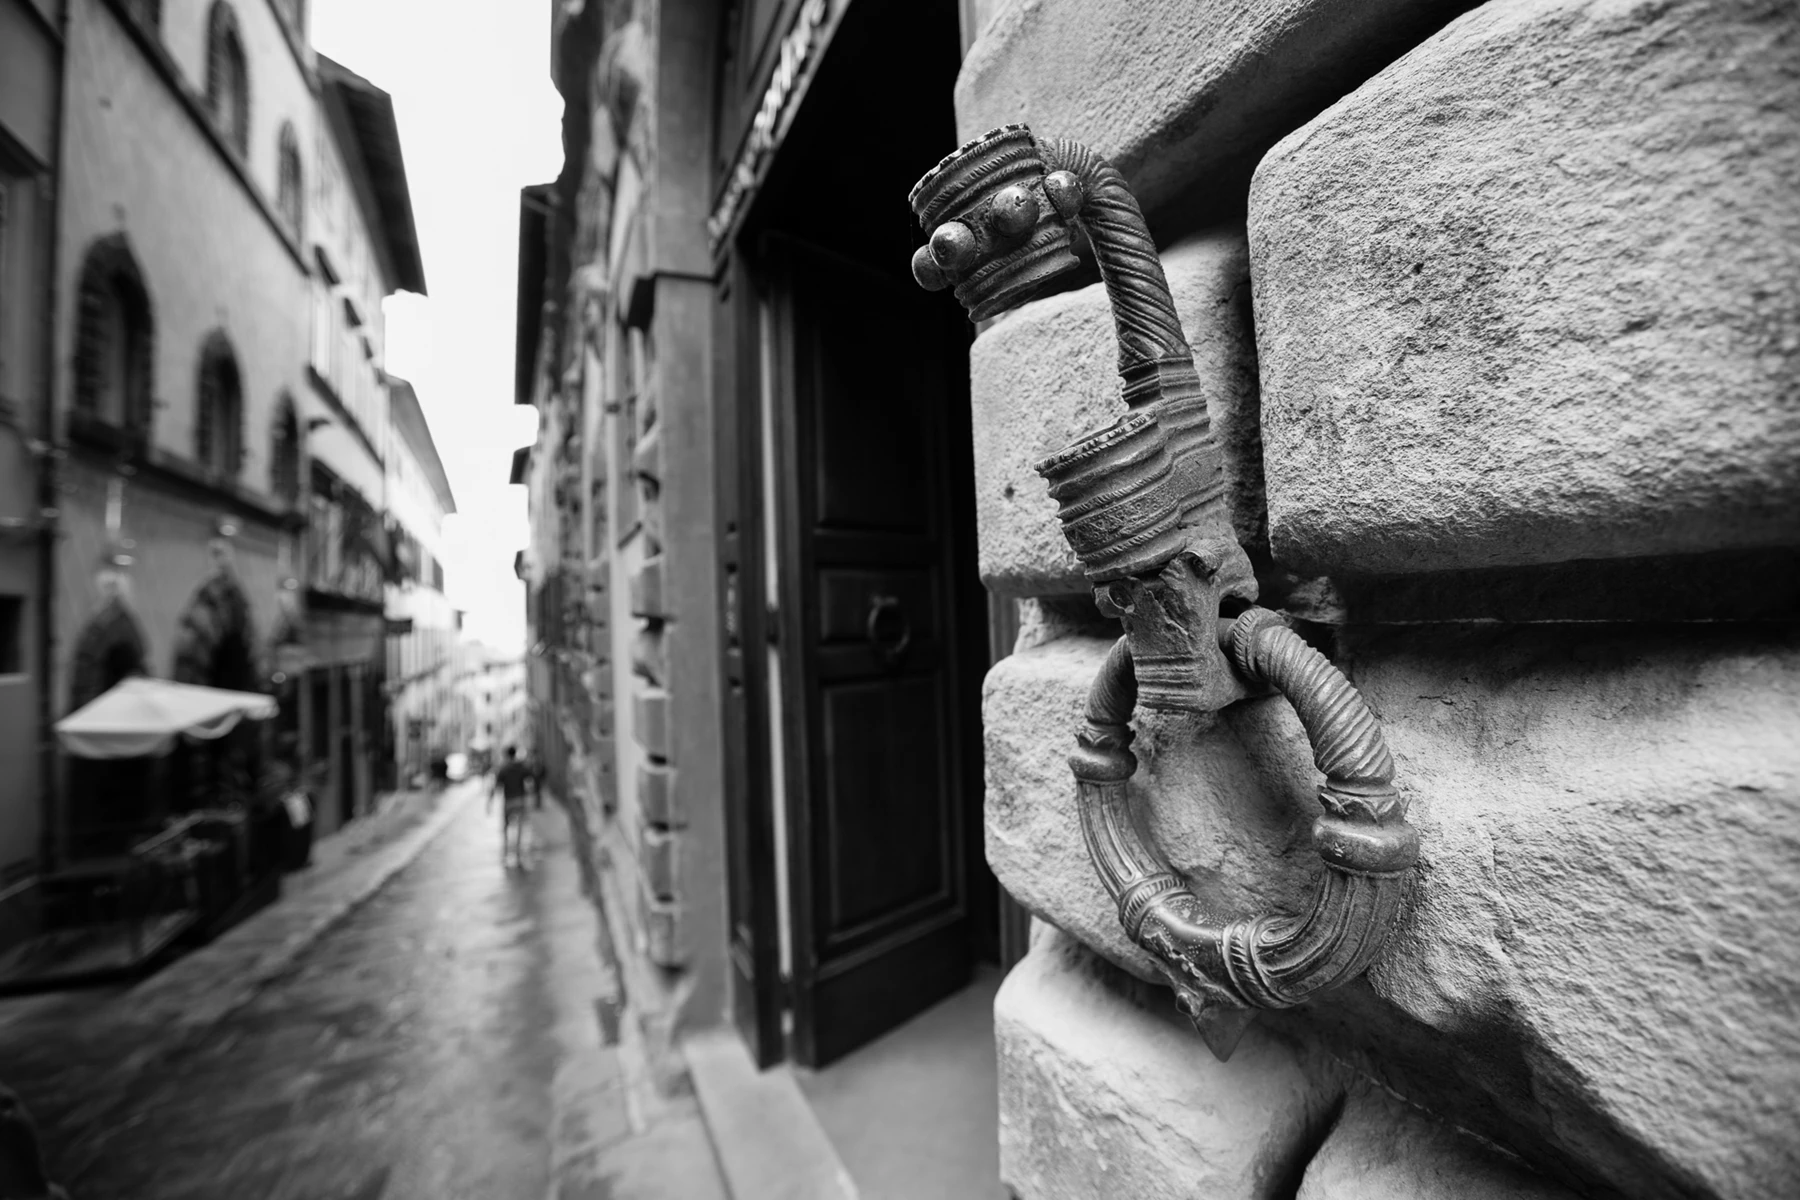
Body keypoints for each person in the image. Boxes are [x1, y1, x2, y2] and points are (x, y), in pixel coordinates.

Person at [487, 746, 535, 867]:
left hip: (508, 801)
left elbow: (497, 786)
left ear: (507, 755)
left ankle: (506, 852)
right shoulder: (521, 767)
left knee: (506, 827)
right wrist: (531, 793)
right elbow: (531, 779)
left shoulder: (503, 768)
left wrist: (490, 802)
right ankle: (517, 853)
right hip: (520, 799)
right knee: (519, 826)